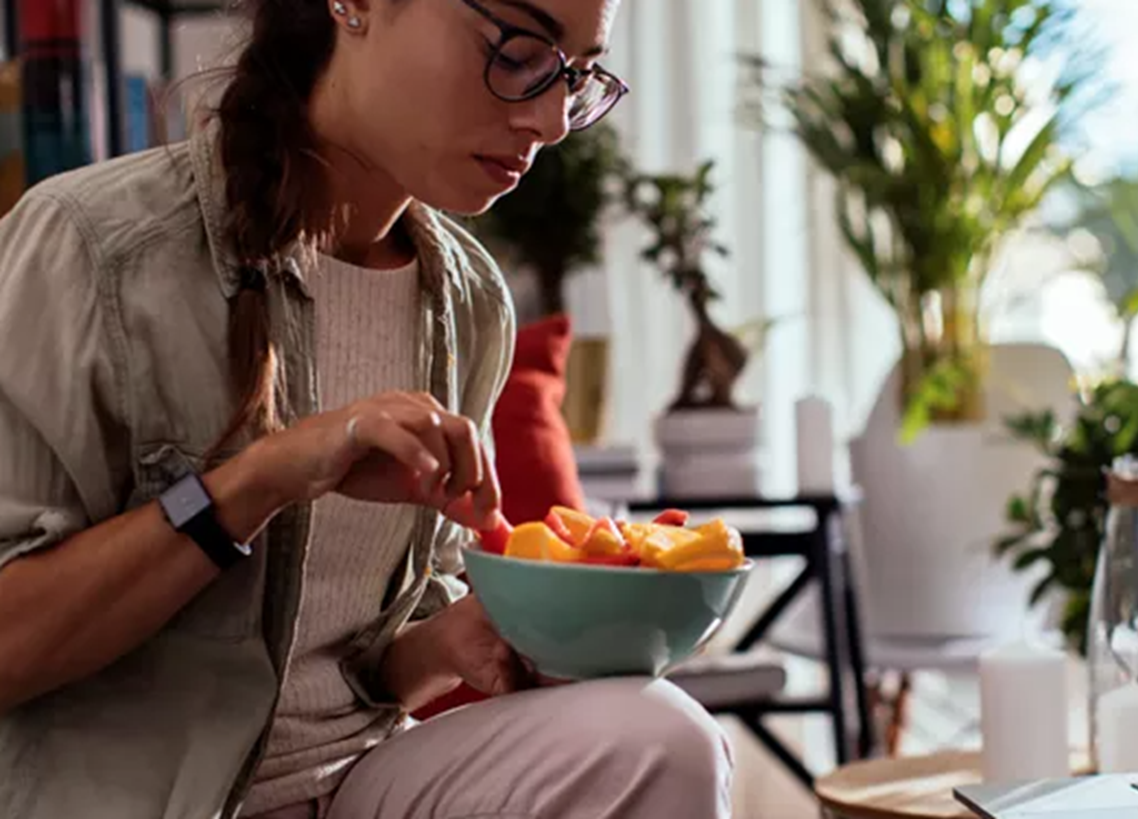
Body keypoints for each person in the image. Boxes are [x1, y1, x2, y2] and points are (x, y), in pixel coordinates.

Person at [0, 0, 735, 816]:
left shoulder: (466, 298)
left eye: (577, 75)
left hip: (357, 784)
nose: (554, 121)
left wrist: (448, 644)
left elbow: (364, 668)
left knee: (661, 737)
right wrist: (260, 480)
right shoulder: (94, 248)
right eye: (521, 49)